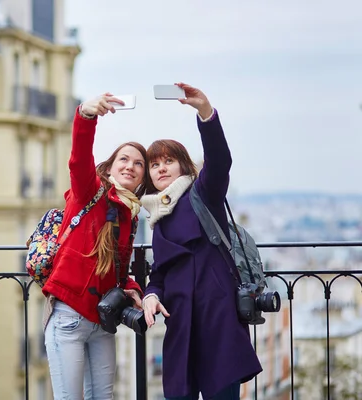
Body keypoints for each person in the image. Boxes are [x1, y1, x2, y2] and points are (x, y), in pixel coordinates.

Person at [140, 83, 262, 400]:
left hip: (217, 319)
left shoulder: (202, 194)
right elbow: (161, 274)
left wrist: (205, 113)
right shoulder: (157, 215)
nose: (161, 167)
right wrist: (151, 295)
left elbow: (220, 162)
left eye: (168, 160)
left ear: (182, 165)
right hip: (181, 326)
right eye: (154, 164)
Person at [42, 93, 147, 399]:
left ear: (141, 177)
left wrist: (130, 287)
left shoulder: (130, 213)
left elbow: (117, 269)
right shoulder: (90, 192)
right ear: (111, 167)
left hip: (102, 322)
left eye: (139, 163)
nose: (131, 166)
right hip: (69, 315)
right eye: (124, 159)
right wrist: (86, 116)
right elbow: (78, 159)